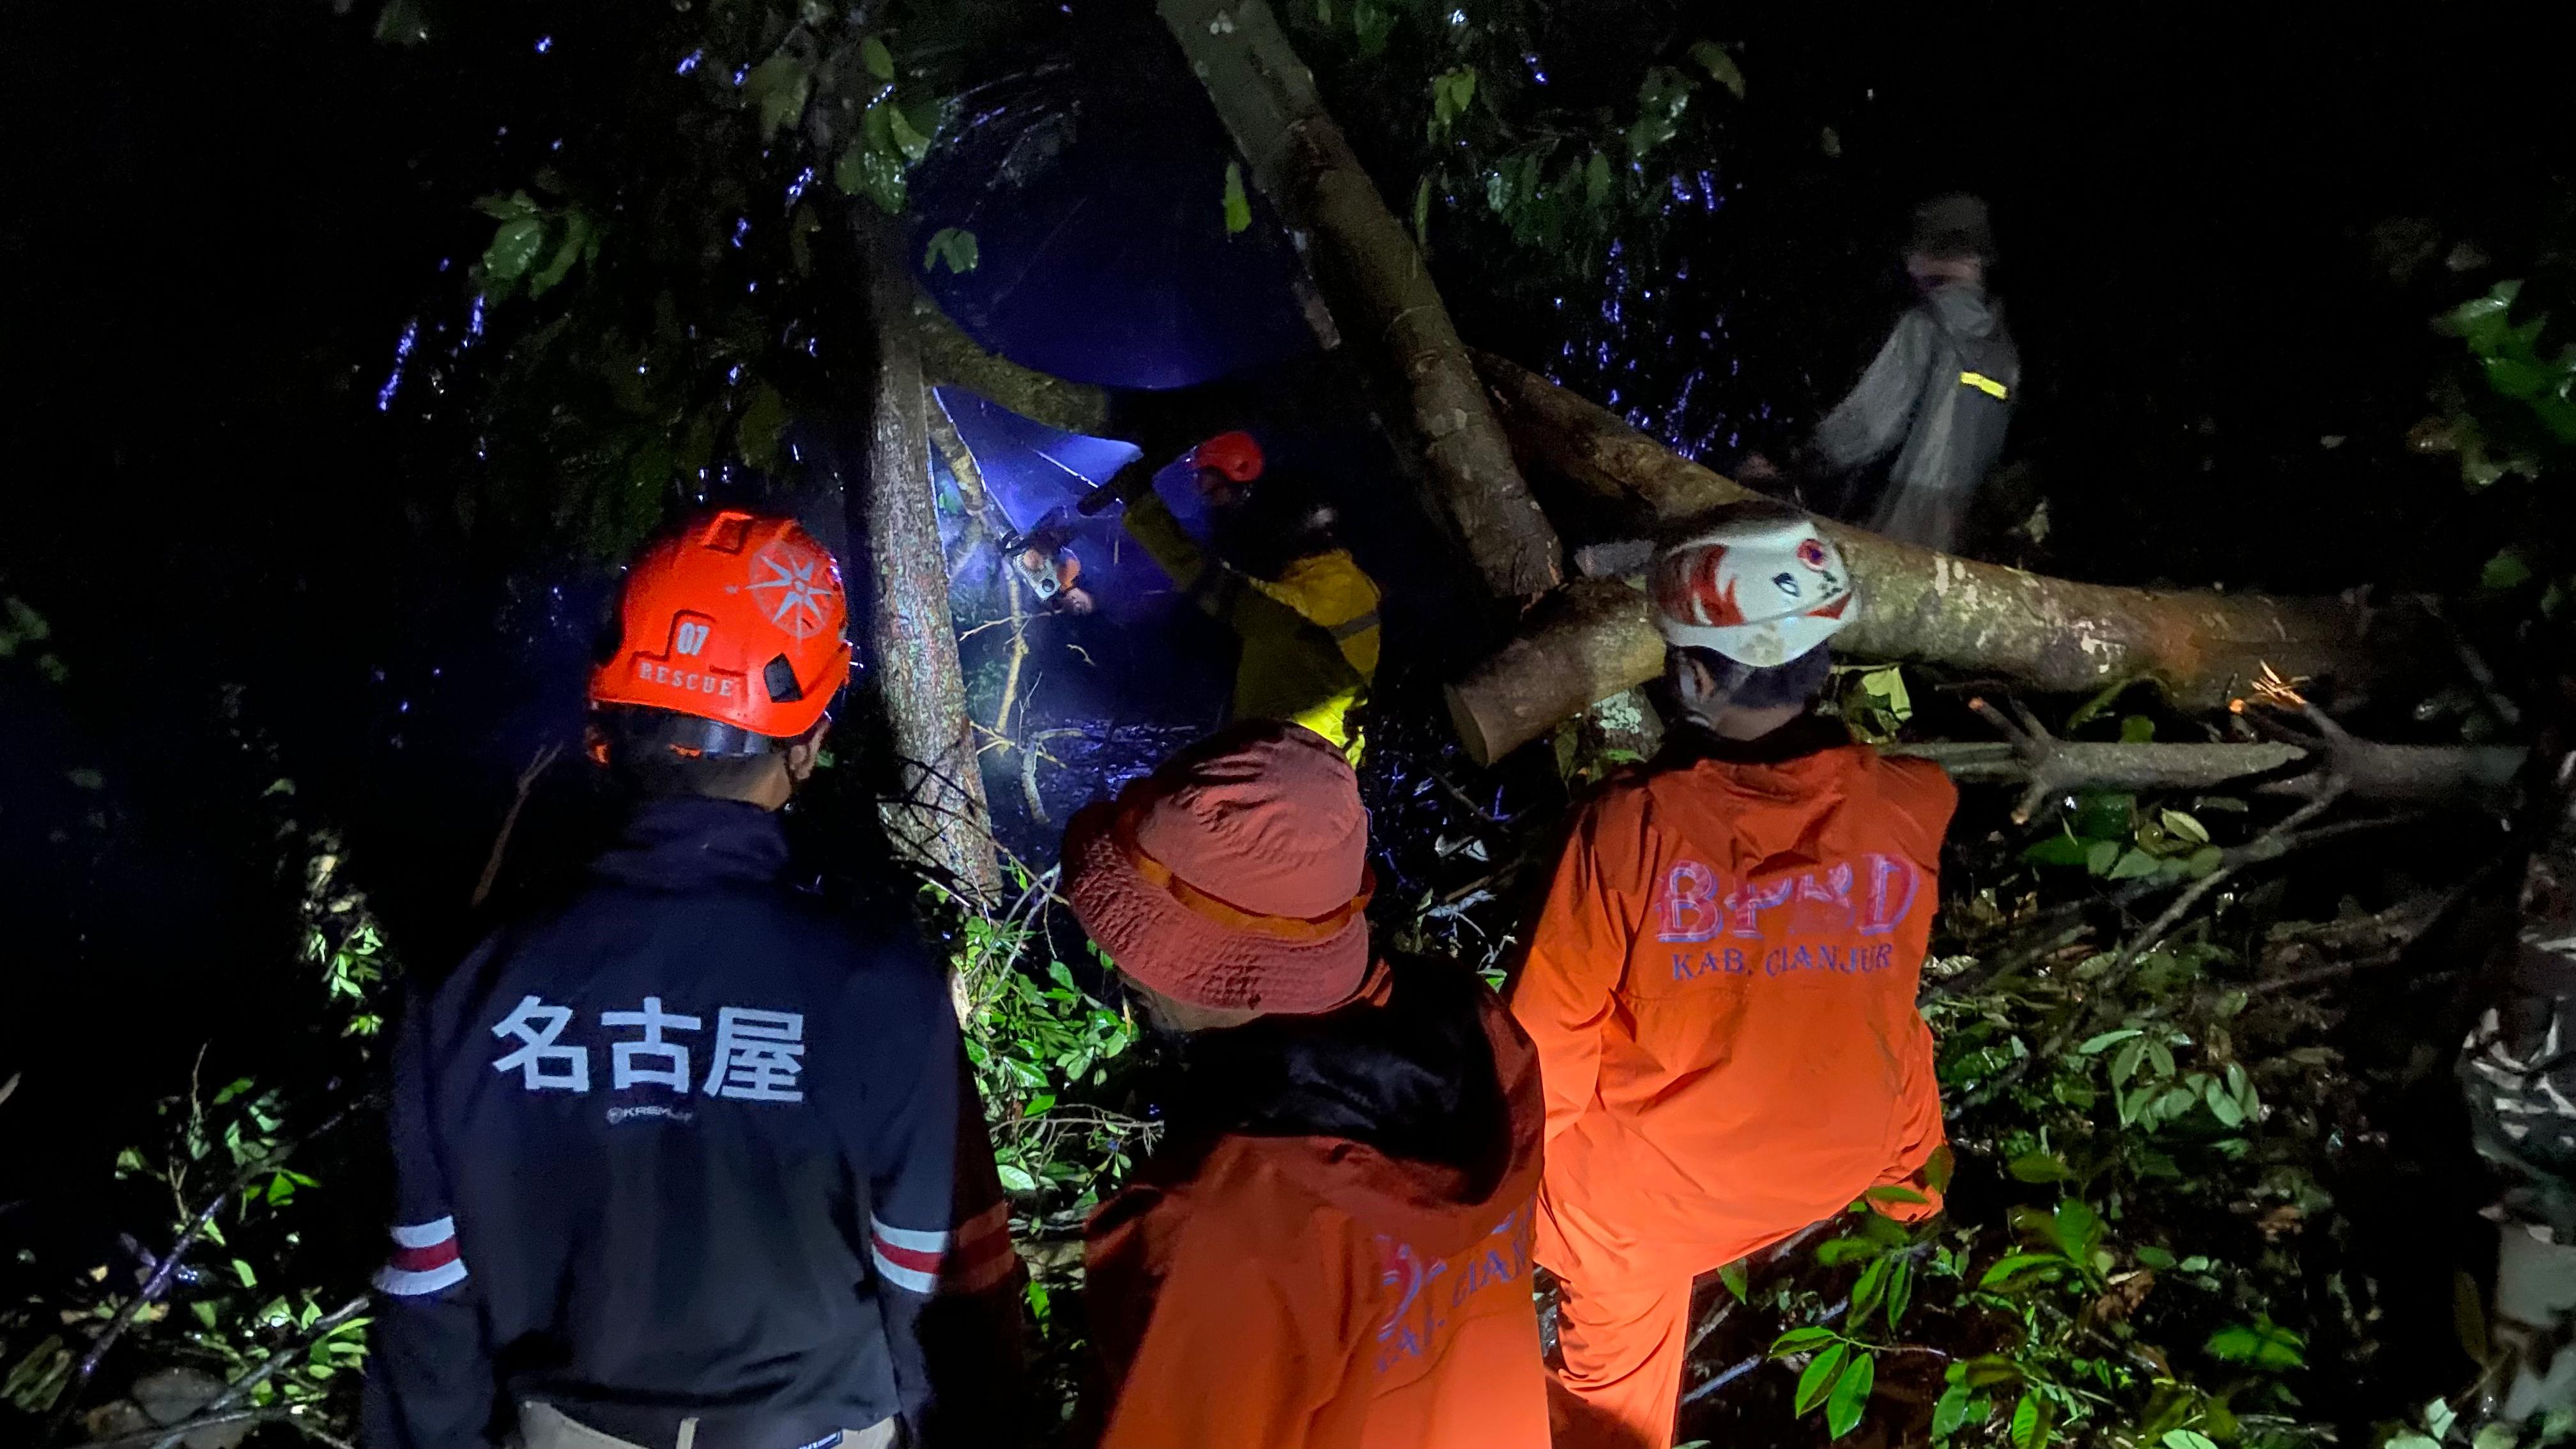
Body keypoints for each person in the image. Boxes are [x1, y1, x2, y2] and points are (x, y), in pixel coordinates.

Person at [363, 509, 1022, 1449]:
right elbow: (930, 1289)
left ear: (609, 725)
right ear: (806, 742)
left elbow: (427, 1300)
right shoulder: (877, 985)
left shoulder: (473, 979)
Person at [1507, 502, 1957, 1449]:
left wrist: (1503, 1204)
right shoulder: (1916, 804)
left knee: (1613, 1335)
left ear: (1694, 672)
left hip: (1655, 1203)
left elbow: (1547, 1048)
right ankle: (1915, 1194)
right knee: (1885, 1008)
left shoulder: (1631, 828)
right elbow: (1890, 997)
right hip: (1846, 1160)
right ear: (1824, 661)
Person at [1064, 721, 1550, 1449]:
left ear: (1234, 972)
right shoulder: (1483, 1038)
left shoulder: (1224, 1231)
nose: (1123, 968)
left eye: (1140, 942)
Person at [1741, 194, 2020, 554]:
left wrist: (1789, 467)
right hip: (1957, 546)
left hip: (1891, 533)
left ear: (1922, 257)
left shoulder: (1926, 327)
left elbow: (1865, 430)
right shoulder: (2005, 355)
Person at [1094, 432, 1382, 758]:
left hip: (1293, 753)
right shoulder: (1341, 578)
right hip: (1318, 747)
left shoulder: (1307, 602)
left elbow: (1220, 587)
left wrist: (1142, 506)